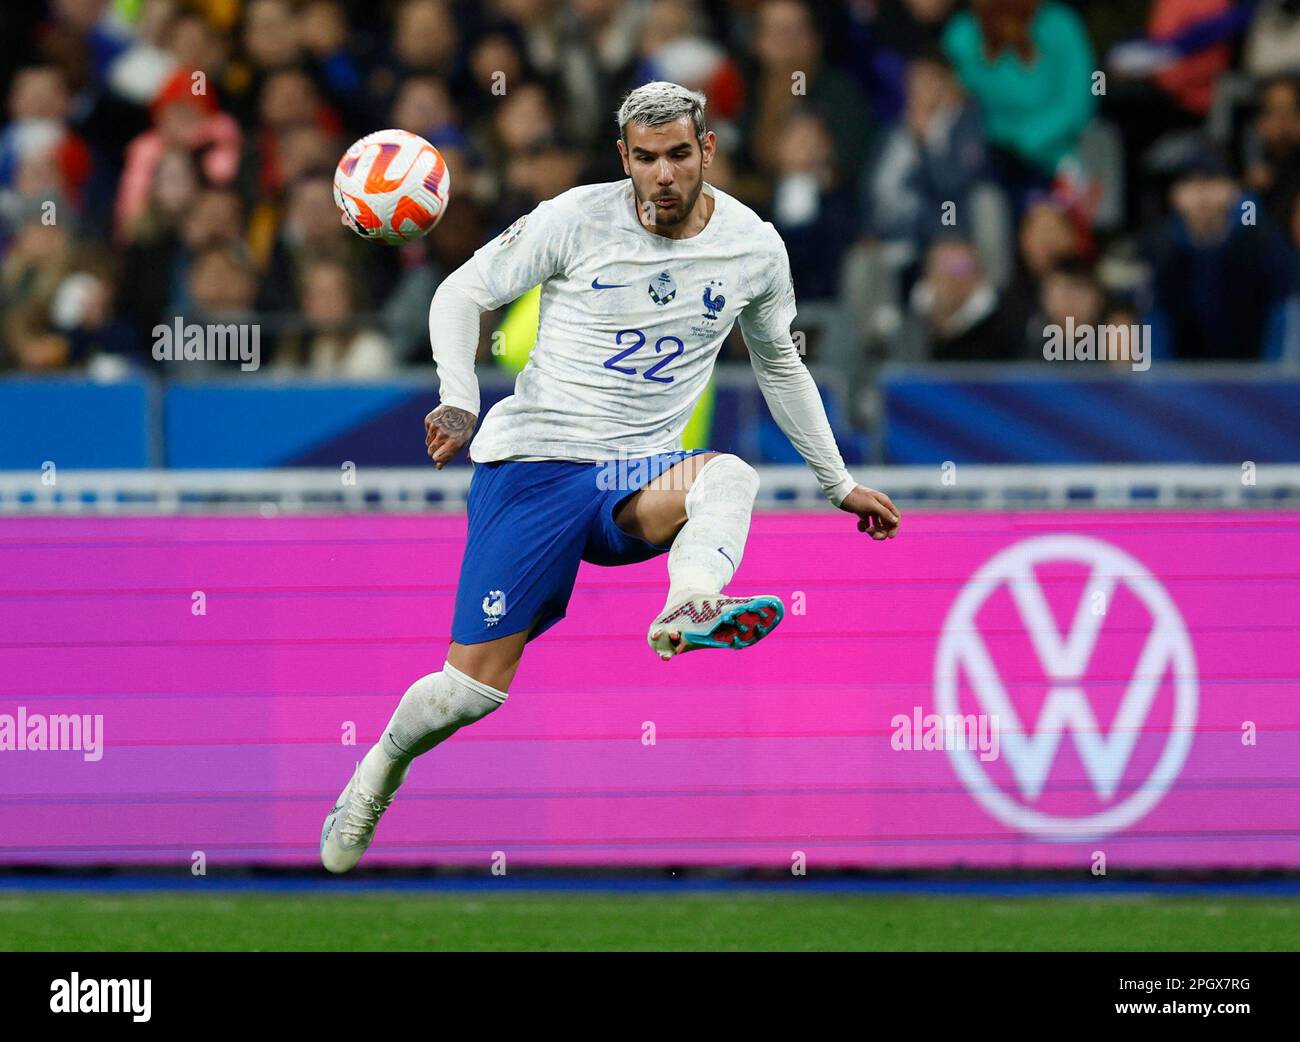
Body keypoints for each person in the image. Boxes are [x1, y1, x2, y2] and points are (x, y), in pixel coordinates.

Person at [320, 81, 901, 873]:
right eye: (647, 159)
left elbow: (780, 363)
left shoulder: (754, 248)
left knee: (728, 476)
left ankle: (689, 606)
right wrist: (459, 401)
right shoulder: (573, 219)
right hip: (532, 468)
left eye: (679, 156)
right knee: (468, 694)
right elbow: (462, 291)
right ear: (624, 158)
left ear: (708, 150)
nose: (665, 174)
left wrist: (837, 483)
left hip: (633, 475)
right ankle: (378, 771)